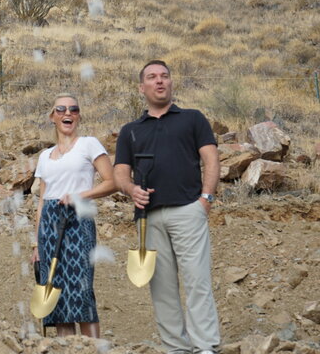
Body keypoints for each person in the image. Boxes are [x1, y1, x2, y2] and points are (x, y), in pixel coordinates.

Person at [113, 60, 221, 354]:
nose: (159, 81)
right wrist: (130, 189)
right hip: (148, 219)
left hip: (189, 210)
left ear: (171, 83)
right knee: (162, 289)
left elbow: (211, 160)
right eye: (152, 77)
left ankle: (204, 347)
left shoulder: (193, 119)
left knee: (198, 282)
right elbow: (120, 173)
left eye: (164, 76)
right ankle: (176, 349)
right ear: (142, 87)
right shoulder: (130, 131)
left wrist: (206, 200)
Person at [32, 93, 116, 338]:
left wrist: (81, 195)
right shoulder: (44, 156)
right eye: (60, 109)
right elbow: (41, 201)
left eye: (73, 109)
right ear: (52, 117)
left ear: (78, 116)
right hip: (49, 224)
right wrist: (37, 243)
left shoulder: (89, 144)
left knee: (81, 291)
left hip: (78, 220)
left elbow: (112, 183)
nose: (67, 113)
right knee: (55, 294)